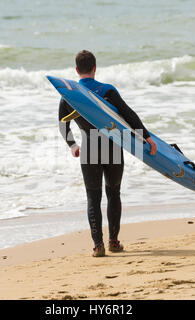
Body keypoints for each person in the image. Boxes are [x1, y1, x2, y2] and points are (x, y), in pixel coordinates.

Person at [58, 50, 157, 257]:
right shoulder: (107, 90)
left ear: (77, 70)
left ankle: (98, 246)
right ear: (95, 68)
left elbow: (62, 125)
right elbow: (128, 114)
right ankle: (113, 241)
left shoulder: (69, 95)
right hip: (112, 146)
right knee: (113, 194)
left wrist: (73, 145)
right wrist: (146, 137)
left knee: (93, 198)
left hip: (90, 149)